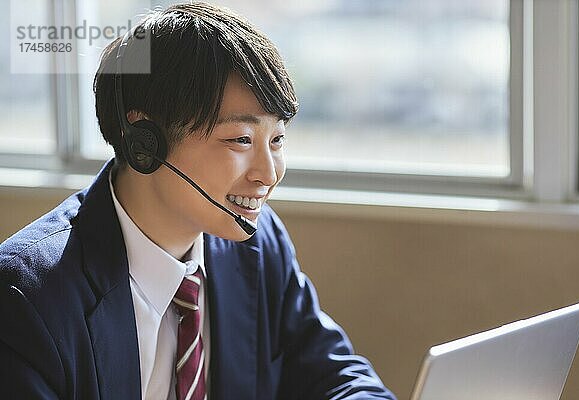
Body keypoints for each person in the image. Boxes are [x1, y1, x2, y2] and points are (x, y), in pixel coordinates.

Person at [0, 2, 396, 399]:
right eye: (240, 139)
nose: (269, 174)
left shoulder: (258, 244)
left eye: (276, 140)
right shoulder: (27, 298)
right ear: (145, 143)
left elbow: (336, 375)